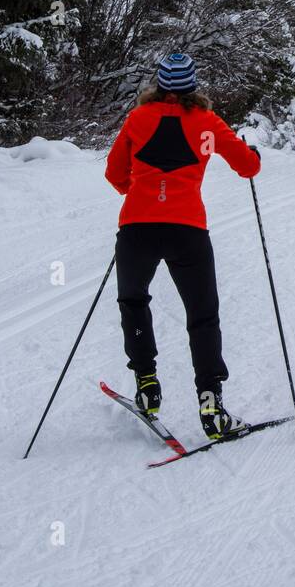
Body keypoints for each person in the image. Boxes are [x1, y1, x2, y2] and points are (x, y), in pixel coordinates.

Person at [105, 51, 260, 440]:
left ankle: (147, 385)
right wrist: (252, 155)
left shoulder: (138, 118)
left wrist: (140, 193)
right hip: (187, 229)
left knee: (134, 301)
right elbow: (248, 167)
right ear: (192, 87)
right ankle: (212, 406)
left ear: (158, 85)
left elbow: (114, 172)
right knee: (203, 316)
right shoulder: (207, 122)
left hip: (138, 227)